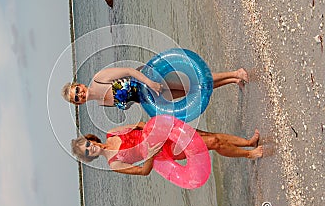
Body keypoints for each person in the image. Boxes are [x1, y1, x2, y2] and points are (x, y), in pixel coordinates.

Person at [71, 121, 263, 176]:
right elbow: (144, 171)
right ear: (90, 157)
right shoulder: (114, 164)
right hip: (165, 152)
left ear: (90, 140)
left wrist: (153, 128)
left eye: (87, 145)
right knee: (212, 143)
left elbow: (139, 124)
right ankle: (248, 155)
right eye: (87, 152)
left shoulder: (112, 133)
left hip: (165, 133)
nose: (91, 149)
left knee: (208, 136)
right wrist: (151, 154)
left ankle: (247, 142)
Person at [61, 67, 249, 109]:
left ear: (80, 85)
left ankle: (236, 72)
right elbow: (130, 101)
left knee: (192, 83)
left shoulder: (98, 79)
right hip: (151, 97)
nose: (80, 95)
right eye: (76, 98)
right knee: (193, 92)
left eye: (77, 90)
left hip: (151, 80)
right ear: (79, 103)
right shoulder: (102, 104)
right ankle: (232, 81)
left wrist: (151, 83)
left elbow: (128, 70)